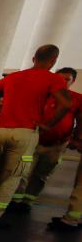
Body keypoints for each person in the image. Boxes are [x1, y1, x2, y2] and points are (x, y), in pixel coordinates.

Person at [0, 45, 72, 228]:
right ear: (53, 61)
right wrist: (48, 125)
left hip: (1, 132)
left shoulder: (13, 77)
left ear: (33, 58)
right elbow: (66, 104)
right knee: (12, 176)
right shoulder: (53, 79)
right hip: (24, 134)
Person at [11, 67, 82, 212]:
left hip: (57, 145)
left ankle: (28, 200)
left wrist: (77, 138)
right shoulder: (43, 95)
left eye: (67, 79)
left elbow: (80, 120)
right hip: (34, 142)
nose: (62, 82)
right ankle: (15, 200)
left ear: (73, 81)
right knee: (24, 170)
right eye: (59, 78)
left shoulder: (77, 99)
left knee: (42, 174)